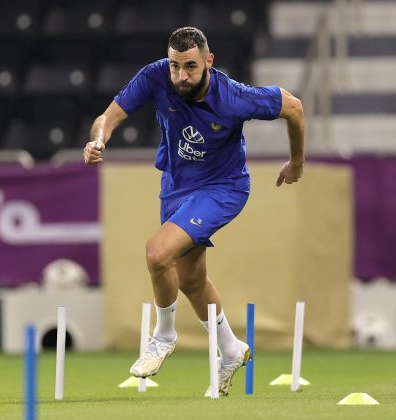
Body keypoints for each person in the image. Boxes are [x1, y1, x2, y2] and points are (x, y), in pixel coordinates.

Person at [83, 27, 305, 396]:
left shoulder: (234, 96)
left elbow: (294, 107)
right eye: (175, 66)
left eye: (189, 67)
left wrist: (296, 161)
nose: (180, 75)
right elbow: (109, 116)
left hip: (223, 188)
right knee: (190, 280)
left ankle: (163, 336)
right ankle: (231, 350)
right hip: (175, 186)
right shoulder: (155, 76)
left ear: (208, 61)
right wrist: (98, 139)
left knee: (157, 254)